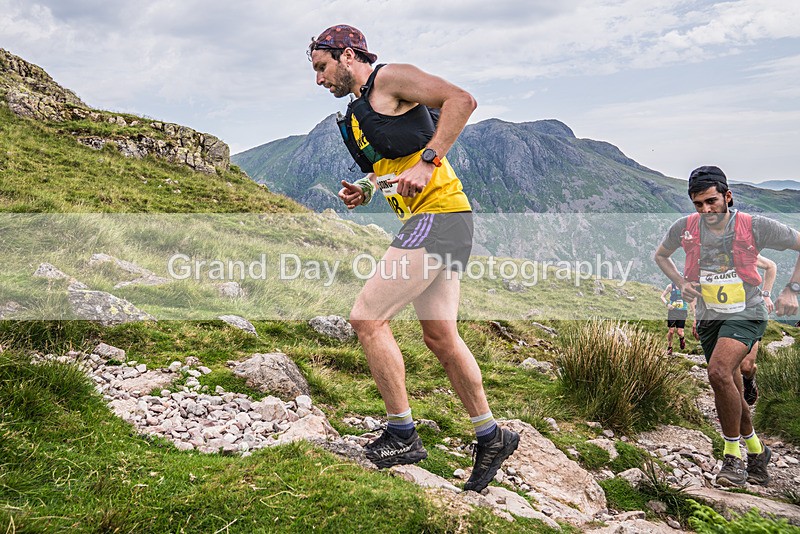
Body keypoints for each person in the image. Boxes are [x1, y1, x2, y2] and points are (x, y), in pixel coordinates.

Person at [308, 24, 519, 492]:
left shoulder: (390, 79)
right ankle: (491, 436)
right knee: (441, 337)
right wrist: (364, 189)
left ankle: (403, 433)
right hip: (440, 220)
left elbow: (462, 100)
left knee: (367, 318)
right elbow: (389, 170)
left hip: (439, 217)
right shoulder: (357, 114)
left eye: (322, 68)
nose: (319, 80)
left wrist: (429, 159)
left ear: (346, 55)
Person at [654, 165, 800, 488]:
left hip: (747, 312)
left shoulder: (754, 226)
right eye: (698, 204)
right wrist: (680, 281)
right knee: (729, 386)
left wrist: (792, 289)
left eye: (711, 201)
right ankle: (758, 452)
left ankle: (732, 459)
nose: (705, 210)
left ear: (727, 196)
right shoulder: (685, 228)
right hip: (709, 317)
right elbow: (661, 256)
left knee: (719, 372)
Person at [738, 254, 777, 405]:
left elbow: (771, 266)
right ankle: (733, 406)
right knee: (726, 367)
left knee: (746, 367)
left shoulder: (742, 251)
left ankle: (749, 380)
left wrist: (766, 295)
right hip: (723, 315)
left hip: (750, 312)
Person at [661, 277, 690, 354]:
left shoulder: (685, 287)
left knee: (680, 332)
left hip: (682, 311)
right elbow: (662, 296)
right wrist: (667, 304)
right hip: (672, 311)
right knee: (671, 331)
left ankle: (682, 339)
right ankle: (669, 347)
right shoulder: (670, 286)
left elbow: (691, 298)